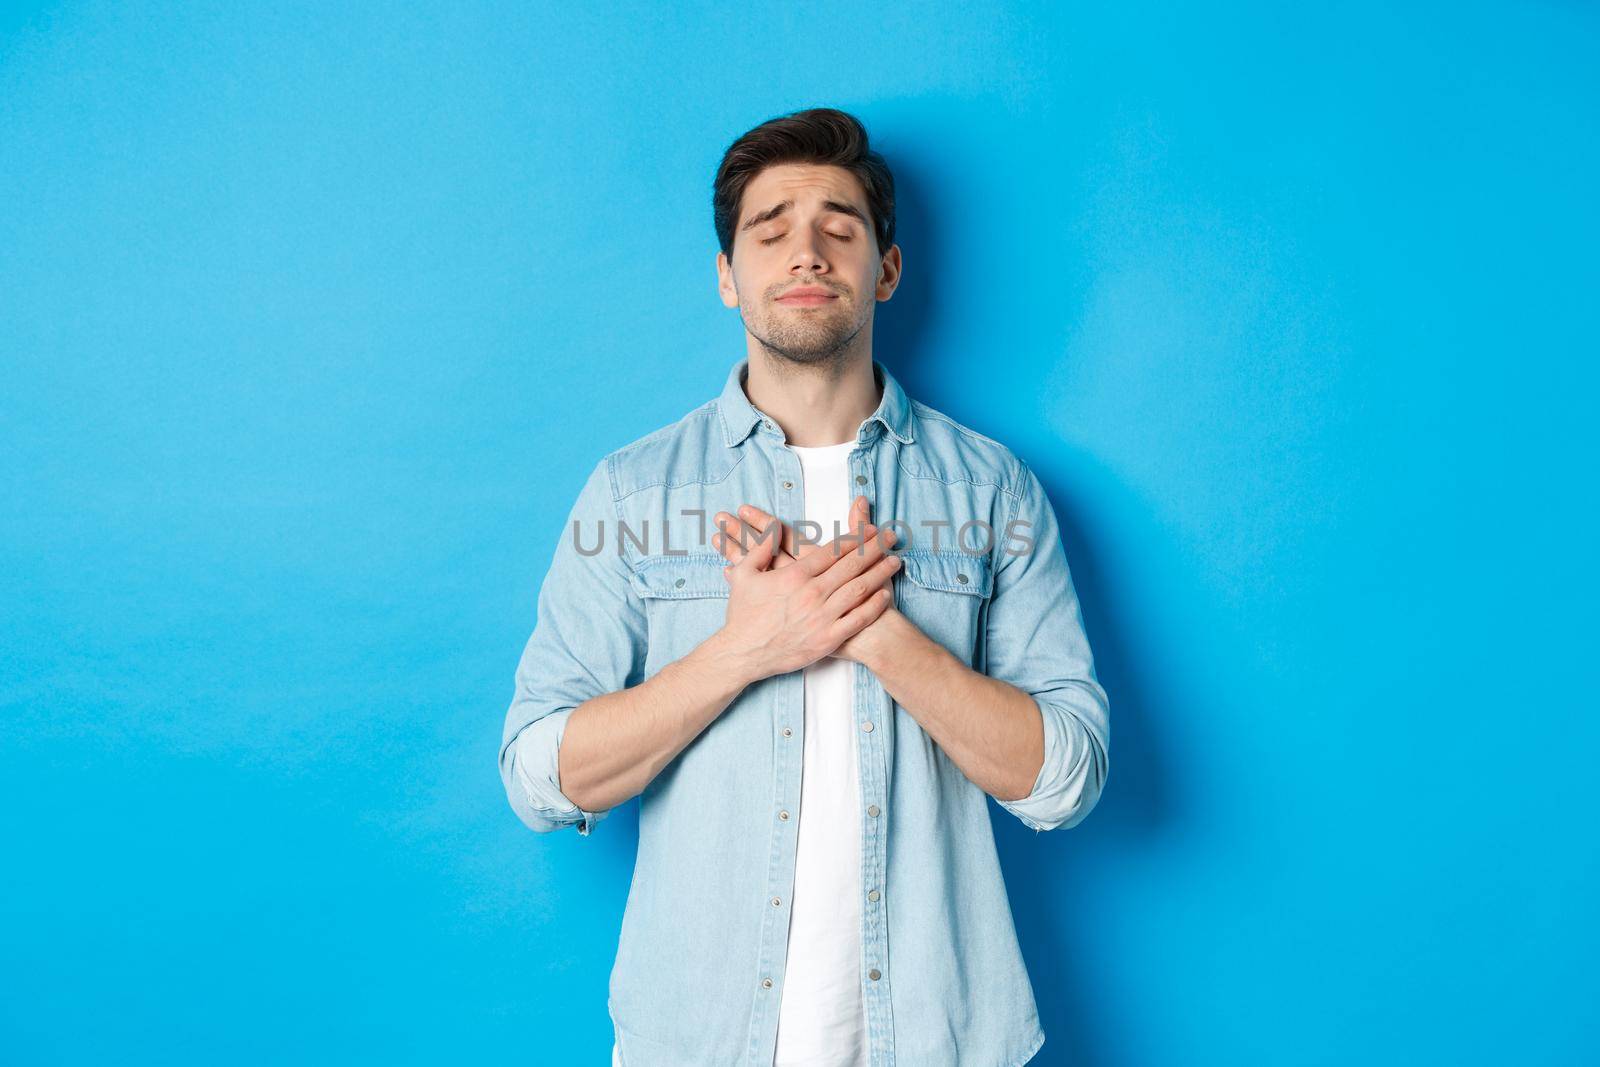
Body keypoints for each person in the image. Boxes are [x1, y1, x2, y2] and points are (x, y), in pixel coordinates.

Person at [498, 107, 1110, 1067]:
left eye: (840, 227)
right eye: (770, 229)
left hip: (940, 1036)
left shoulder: (992, 491)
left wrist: (880, 634)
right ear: (728, 278)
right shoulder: (633, 491)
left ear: (887, 269)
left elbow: (1067, 778)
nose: (808, 252)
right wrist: (749, 646)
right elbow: (542, 776)